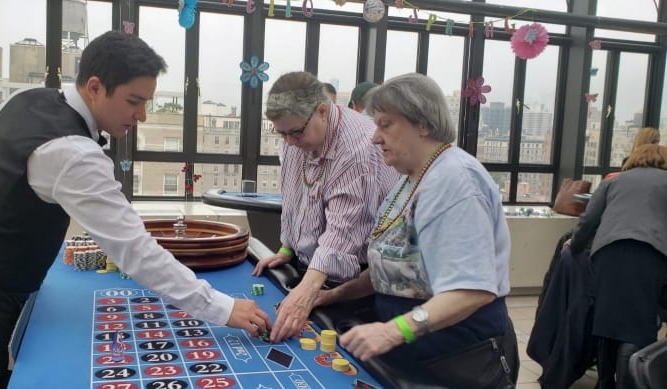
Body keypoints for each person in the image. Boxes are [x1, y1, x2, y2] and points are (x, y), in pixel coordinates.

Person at [0, 31, 270, 389]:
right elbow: (135, 251)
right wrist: (222, 308)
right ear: (94, 87)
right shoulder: (75, 154)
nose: (141, 115)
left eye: (146, 103)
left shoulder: (28, 98)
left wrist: (19, 201)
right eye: (134, 101)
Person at [313, 73, 519, 387]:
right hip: (414, 348)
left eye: (385, 125)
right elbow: (397, 266)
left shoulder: (455, 180)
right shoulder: (409, 178)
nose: (374, 137)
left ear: (423, 124)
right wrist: (334, 295)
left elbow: (472, 290)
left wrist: (391, 331)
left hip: (459, 355)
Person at [254, 71, 399, 342]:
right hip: (314, 269)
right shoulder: (295, 135)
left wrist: (306, 292)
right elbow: (295, 195)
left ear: (322, 111)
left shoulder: (359, 150)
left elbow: (342, 234)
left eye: (295, 132)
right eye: (281, 134)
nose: (289, 143)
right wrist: (288, 246)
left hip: (357, 283)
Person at [569, 144, 667, 389]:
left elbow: (589, 219)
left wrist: (574, 246)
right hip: (650, 256)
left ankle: (604, 381)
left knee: (607, 320)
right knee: (638, 323)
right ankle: (631, 380)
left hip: (607, 255)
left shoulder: (613, 181)